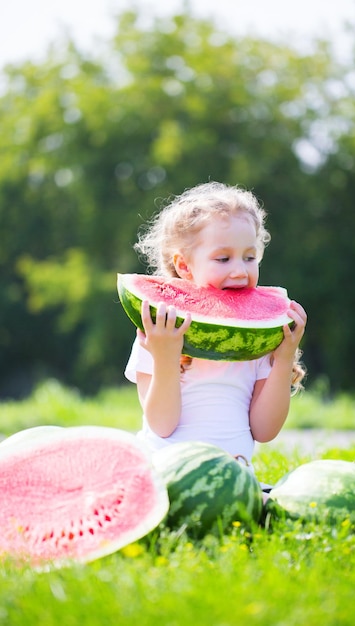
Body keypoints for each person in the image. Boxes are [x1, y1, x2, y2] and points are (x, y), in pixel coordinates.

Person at [124, 181, 307, 480]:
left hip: (234, 480)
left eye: (249, 257)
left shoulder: (258, 341)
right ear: (184, 266)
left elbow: (264, 430)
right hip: (166, 476)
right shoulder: (157, 333)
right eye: (223, 259)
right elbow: (161, 424)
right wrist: (166, 357)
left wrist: (283, 359)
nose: (239, 270)